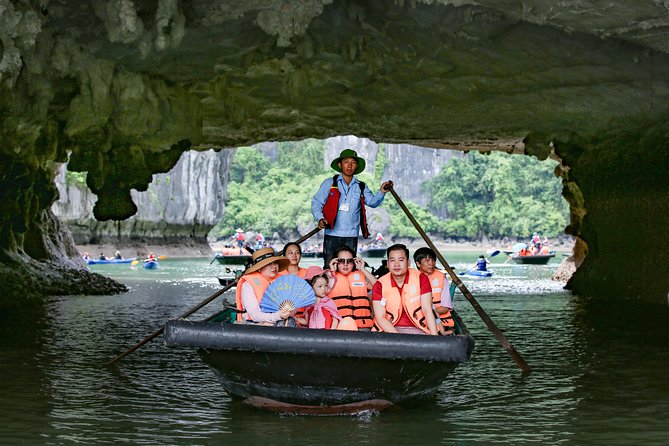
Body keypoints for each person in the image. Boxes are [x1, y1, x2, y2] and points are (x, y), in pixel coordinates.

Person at [311, 149, 393, 266]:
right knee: (329, 267)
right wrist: (320, 218)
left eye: (353, 162)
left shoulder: (361, 186)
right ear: (340, 165)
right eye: (346, 162)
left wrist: (382, 191)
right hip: (332, 234)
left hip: (351, 236)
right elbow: (316, 203)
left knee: (348, 267)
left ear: (356, 166)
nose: (349, 166)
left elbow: (372, 202)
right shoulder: (329, 183)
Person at [372, 244, 438, 335]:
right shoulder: (379, 284)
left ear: (408, 263)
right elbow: (380, 318)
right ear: (387, 264)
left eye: (401, 260)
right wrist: (398, 339)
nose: (396, 264)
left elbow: (427, 309)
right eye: (392, 260)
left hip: (419, 329)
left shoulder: (421, 278)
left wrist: (435, 336)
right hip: (389, 330)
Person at [234, 247, 293, 325]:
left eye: (275, 263)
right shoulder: (248, 285)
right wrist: (278, 316)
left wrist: (286, 313)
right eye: (269, 264)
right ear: (259, 268)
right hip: (254, 324)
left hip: (278, 320)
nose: (274, 266)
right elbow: (254, 315)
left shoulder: (281, 281)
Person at [326, 245, 378, 329]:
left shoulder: (362, 275)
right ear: (335, 262)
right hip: (339, 327)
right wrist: (332, 272)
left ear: (354, 262)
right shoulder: (328, 278)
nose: (345, 264)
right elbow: (320, 292)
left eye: (349, 261)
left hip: (363, 326)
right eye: (341, 261)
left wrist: (363, 269)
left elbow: (378, 287)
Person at [414, 247, 455, 335]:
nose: (431, 263)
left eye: (433, 260)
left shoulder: (441, 278)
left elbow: (445, 308)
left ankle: (441, 332)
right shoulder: (412, 278)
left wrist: (428, 312)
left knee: (431, 311)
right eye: (427, 260)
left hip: (441, 320)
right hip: (418, 320)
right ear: (418, 264)